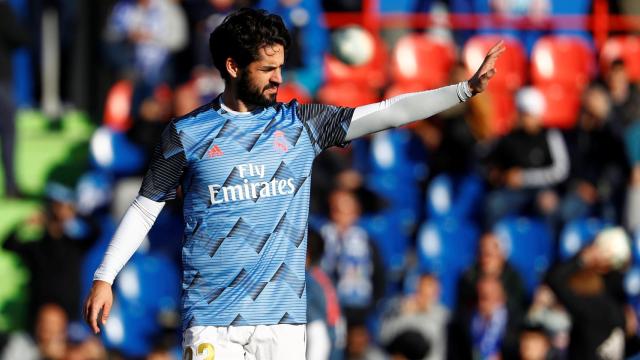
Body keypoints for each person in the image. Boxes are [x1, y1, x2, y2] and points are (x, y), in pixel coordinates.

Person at [84, 8, 505, 359]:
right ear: (233, 67)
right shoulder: (186, 134)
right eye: (266, 69)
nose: (277, 79)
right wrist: (106, 276)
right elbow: (145, 207)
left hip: (282, 321)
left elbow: (388, 112)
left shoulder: (302, 124)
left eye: (280, 68)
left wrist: (464, 91)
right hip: (212, 318)